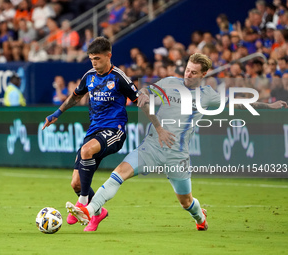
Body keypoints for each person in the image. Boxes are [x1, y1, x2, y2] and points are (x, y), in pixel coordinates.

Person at [66, 53, 288, 232]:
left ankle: (200, 218)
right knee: (118, 174)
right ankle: (89, 210)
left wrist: (269, 106)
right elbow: (144, 90)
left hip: (177, 155)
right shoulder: (170, 82)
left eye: (193, 72)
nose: (188, 75)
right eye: (187, 70)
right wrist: (142, 94)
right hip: (151, 146)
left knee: (186, 202)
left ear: (204, 74)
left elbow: (238, 104)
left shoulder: (207, 95)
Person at [42, 36, 172, 232]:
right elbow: (75, 97)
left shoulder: (119, 77)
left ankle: (83, 203)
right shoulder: (89, 76)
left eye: (97, 59)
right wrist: (57, 113)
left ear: (108, 56)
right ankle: (98, 213)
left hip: (115, 131)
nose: (94, 63)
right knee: (76, 183)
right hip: (94, 131)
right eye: (91, 59)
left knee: (86, 151)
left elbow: (142, 104)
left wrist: (159, 129)